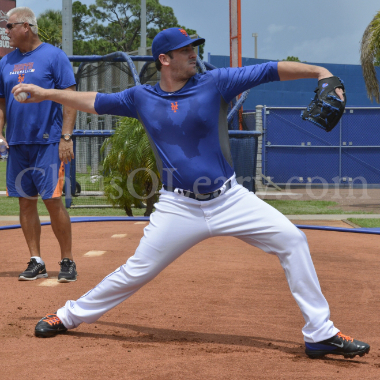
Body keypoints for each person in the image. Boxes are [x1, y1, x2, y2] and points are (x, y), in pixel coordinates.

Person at [13, 28, 369, 359]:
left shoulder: (214, 82)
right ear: (164, 59)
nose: (193, 55)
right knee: (136, 270)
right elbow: (92, 100)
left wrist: (320, 70)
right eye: (185, 51)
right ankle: (68, 316)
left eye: (193, 49)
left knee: (293, 241)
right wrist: (45, 93)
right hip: (178, 206)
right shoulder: (141, 97)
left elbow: (270, 70)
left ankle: (319, 333)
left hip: (230, 199)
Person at [0, 7, 78, 282]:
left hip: (48, 143)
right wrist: (0, 135)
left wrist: (66, 137)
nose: (6, 31)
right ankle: (36, 260)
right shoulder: (5, 62)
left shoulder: (54, 56)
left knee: (53, 201)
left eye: (9, 26)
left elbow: (70, 97)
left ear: (26, 27)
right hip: (18, 145)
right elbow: (1, 103)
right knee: (25, 203)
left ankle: (67, 260)